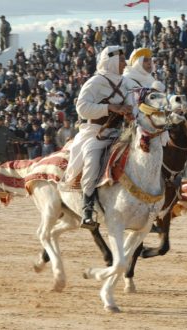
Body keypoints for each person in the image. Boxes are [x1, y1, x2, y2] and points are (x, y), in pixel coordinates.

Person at [65, 46, 134, 229]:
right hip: (96, 131)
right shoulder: (95, 82)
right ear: (110, 61)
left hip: (121, 133)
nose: (124, 63)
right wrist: (109, 108)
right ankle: (87, 206)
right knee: (92, 156)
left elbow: (132, 105)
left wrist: (129, 112)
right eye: (121, 60)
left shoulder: (126, 82)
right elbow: (82, 108)